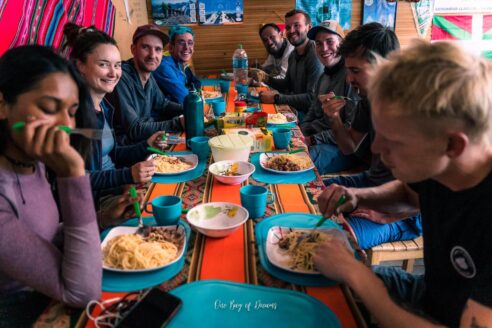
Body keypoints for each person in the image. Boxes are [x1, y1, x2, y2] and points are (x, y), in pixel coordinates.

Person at [315, 39, 492, 327]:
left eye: (393, 141)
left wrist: (356, 274)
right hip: (429, 294)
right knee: (312, 285)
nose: (375, 149)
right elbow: (411, 195)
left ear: (453, 145)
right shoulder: (443, 162)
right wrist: (358, 196)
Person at [0, 45, 101, 326]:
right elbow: (82, 292)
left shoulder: (32, 162)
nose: (66, 126)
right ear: (3, 105)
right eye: (48, 108)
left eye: (71, 112)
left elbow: (37, 232)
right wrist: (73, 174)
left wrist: (99, 218)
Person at [321, 23, 421, 249]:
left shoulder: (416, 108)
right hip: (370, 182)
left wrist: (389, 216)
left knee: (335, 242)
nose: (348, 79)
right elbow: (349, 148)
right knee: (313, 191)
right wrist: (334, 118)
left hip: (408, 213)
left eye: (356, 71)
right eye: (348, 70)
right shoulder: (368, 100)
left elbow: (441, 189)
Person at [63, 23, 164, 228]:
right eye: (103, 64)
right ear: (80, 66)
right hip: (96, 207)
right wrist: (126, 176)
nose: (113, 73)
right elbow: (75, 182)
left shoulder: (104, 107)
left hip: (117, 190)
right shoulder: (74, 117)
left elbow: (114, 154)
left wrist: (146, 145)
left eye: (117, 65)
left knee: (169, 203)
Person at [300, 20, 362, 174]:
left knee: (300, 163)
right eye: (319, 44)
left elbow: (349, 130)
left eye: (329, 42)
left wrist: (313, 139)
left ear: (342, 44)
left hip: (344, 148)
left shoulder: (352, 78)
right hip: (319, 139)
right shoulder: (323, 77)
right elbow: (312, 112)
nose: (324, 48)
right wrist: (300, 132)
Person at [108, 24, 183, 143]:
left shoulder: (148, 76)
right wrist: (178, 123)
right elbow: (133, 129)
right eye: (146, 47)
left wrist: (190, 108)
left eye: (158, 49)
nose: (152, 55)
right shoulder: (121, 78)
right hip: (129, 152)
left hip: (148, 142)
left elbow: (163, 105)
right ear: (133, 49)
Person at [250, 9, 323, 122]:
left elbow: (312, 98)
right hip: (295, 111)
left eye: (297, 25)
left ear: (309, 28)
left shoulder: (315, 55)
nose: (292, 31)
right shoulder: (293, 54)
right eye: (288, 27)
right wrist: (265, 77)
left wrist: (276, 98)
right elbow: (286, 85)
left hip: (310, 118)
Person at [153, 25, 201, 105]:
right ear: (171, 47)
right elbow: (185, 99)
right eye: (181, 43)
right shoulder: (164, 66)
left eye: (190, 43)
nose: (186, 47)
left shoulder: (179, 63)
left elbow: (195, 83)